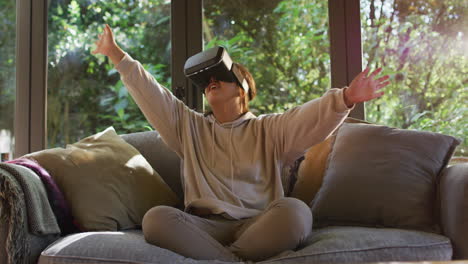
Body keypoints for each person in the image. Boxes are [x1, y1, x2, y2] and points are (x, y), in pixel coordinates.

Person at [92, 24, 390, 262]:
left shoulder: (269, 129)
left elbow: (309, 119)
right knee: (156, 219)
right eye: (207, 81)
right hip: (202, 227)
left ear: (244, 87)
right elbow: (153, 95)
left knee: (296, 211)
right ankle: (234, 262)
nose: (211, 81)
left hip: (259, 225)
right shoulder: (188, 127)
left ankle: (222, 260)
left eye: (221, 76)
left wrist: (347, 97)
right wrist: (116, 54)